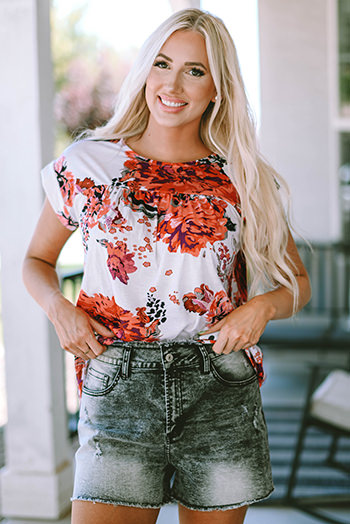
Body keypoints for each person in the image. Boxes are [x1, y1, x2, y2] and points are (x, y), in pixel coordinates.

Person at [22, 8, 311, 524]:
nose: (173, 83)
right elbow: (36, 260)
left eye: (195, 70)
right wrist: (58, 310)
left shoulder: (242, 178)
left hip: (218, 386)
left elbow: (298, 285)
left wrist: (262, 308)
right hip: (117, 386)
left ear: (217, 88)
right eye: (162, 63)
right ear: (145, 72)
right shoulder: (88, 165)